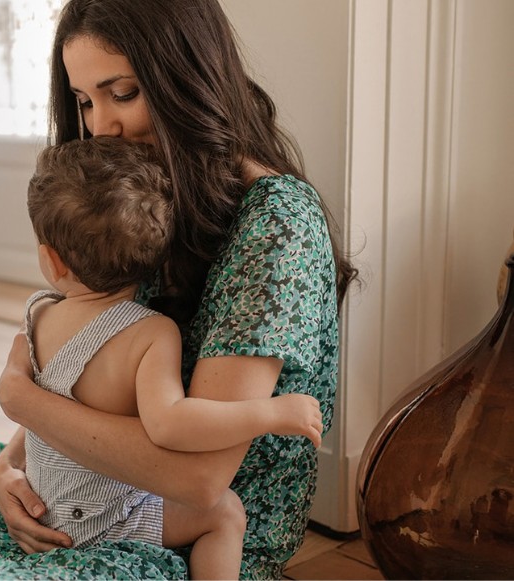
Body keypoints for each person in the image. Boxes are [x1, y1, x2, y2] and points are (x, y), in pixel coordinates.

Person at [0, 0, 356, 579]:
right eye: (86, 101)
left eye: (123, 93)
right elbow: (85, 379)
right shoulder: (148, 195)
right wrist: (8, 470)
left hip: (188, 534)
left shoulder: (275, 220)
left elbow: (201, 479)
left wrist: (24, 400)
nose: (100, 126)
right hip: (90, 492)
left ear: (186, 78)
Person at [18, 136, 323, 579]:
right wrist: (269, 412)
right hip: (105, 519)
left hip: (44, 509)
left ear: (52, 260)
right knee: (225, 514)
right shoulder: (149, 333)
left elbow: (33, 400)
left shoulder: (38, 313)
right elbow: (172, 424)